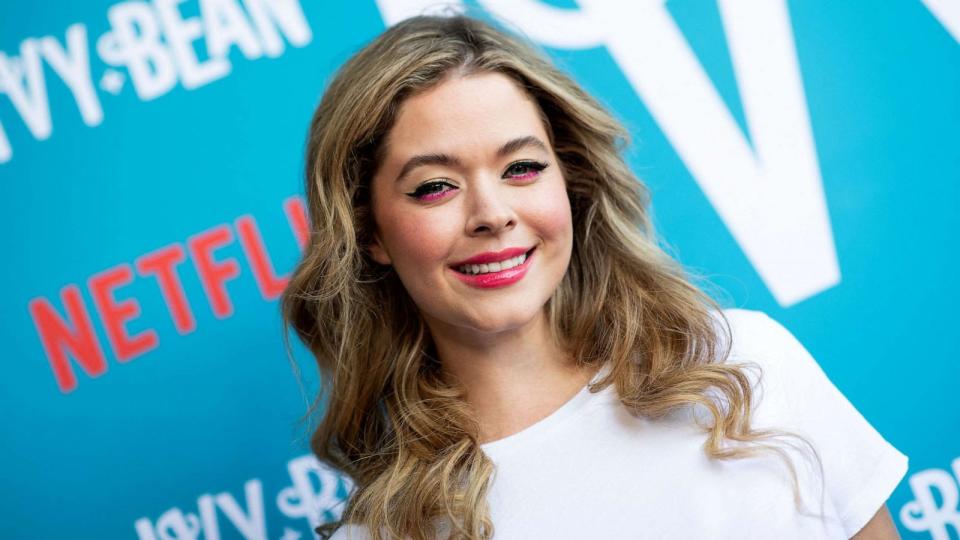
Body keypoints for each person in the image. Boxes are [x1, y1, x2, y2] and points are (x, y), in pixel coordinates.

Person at [280, 13, 908, 540]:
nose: (493, 214)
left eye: (521, 168)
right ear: (369, 233)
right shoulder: (391, 530)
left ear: (570, 181)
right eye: (435, 186)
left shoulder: (744, 366)